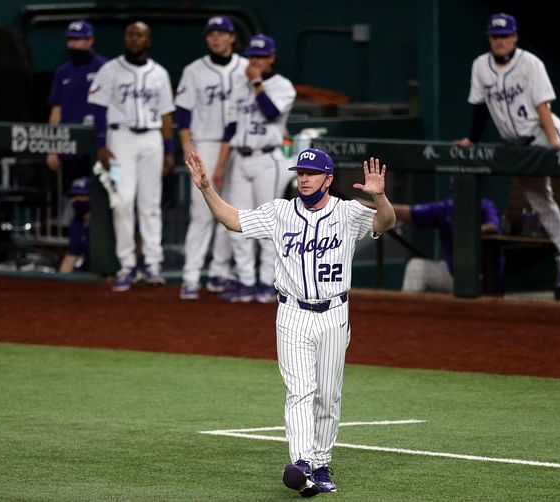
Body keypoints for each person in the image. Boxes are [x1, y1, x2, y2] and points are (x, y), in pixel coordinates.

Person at [185, 147, 396, 496]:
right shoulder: (279, 212)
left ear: (328, 179)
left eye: (311, 173)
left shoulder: (347, 213)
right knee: (300, 391)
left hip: (334, 313)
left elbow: (384, 222)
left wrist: (381, 197)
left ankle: (322, 462)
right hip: (292, 314)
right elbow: (232, 219)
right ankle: (302, 463)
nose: (304, 178)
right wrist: (207, 188)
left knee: (328, 396)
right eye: (300, 173)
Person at [454, 13, 560, 288]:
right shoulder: (480, 66)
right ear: (489, 38)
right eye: (495, 36)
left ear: (515, 37)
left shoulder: (530, 63)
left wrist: (553, 141)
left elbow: (542, 105)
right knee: (540, 200)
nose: (500, 40)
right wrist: (472, 139)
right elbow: (479, 106)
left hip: (546, 132)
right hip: (517, 145)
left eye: (505, 35)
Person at [87, 21, 175, 292]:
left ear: (148, 40)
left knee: (150, 205)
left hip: (151, 139)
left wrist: (169, 150)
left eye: (140, 35)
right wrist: (102, 145)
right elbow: (99, 111)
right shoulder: (109, 70)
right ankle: (127, 265)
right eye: (131, 35)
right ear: (126, 39)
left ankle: (152, 264)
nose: (135, 39)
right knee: (121, 202)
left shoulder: (159, 73)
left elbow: (166, 115)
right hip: (119, 139)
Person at [212, 33, 297, 303]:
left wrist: (257, 83)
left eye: (261, 56)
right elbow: (230, 127)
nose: (256, 61)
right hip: (240, 159)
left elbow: (271, 113)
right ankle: (246, 281)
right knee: (237, 222)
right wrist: (221, 165)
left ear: (272, 58)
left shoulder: (283, 86)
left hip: (268, 160)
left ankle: (267, 282)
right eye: (252, 56)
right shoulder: (240, 85)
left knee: (267, 222)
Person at [175, 16, 248, 300]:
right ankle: (191, 277)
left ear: (232, 37)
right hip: (204, 143)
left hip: (239, 146)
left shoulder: (246, 68)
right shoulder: (194, 70)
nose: (215, 38)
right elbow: (182, 113)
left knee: (233, 211)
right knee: (202, 213)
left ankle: (220, 273)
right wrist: (186, 147)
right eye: (211, 34)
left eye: (221, 33)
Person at [46, 20, 107, 220]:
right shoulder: (62, 72)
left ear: (90, 40)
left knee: (102, 199)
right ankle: (74, 245)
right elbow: (57, 109)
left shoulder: (105, 68)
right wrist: (52, 147)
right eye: (70, 40)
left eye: (78, 40)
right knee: (72, 201)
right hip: (69, 148)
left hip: (98, 147)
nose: (73, 45)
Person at [396, 198, 503, 294]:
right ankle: (405, 312)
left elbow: (493, 227)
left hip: (482, 278)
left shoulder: (485, 205)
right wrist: (380, 203)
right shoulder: (447, 208)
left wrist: (471, 233)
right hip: (453, 275)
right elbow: (410, 213)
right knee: (417, 267)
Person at [59, 177, 91, 273]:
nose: (76, 199)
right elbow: (71, 255)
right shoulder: (76, 223)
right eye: (74, 195)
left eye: (82, 195)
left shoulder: (104, 224)